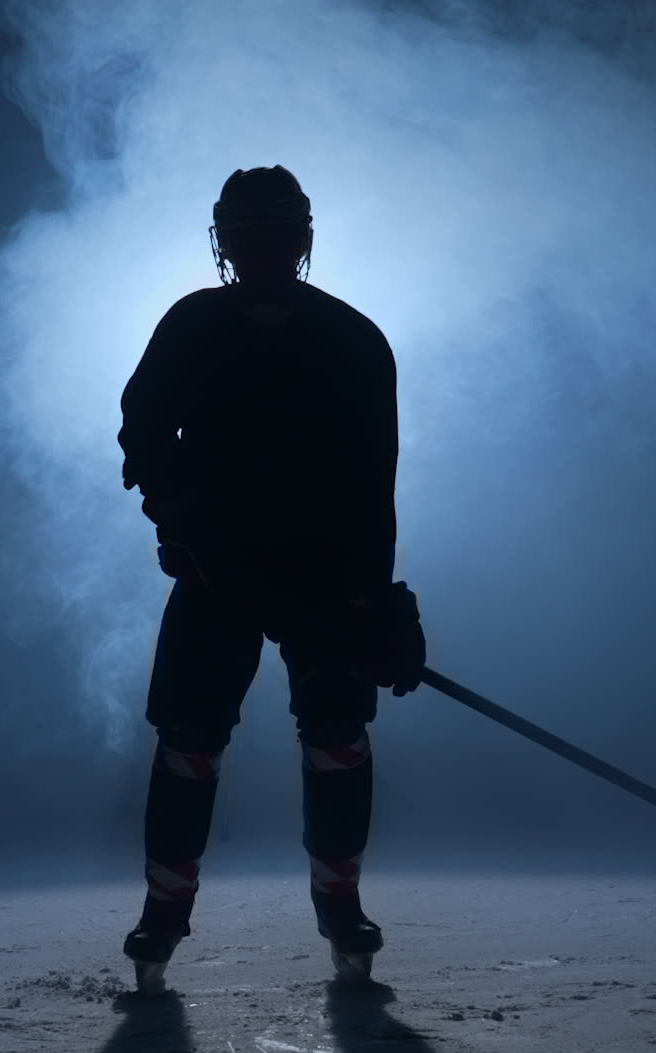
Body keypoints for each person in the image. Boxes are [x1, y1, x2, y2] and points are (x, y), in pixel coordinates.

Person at [116, 165, 427, 992]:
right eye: (245, 235)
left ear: (300, 240)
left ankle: (340, 905)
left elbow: (373, 482)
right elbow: (143, 431)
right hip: (218, 576)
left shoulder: (353, 341)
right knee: (188, 739)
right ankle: (164, 913)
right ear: (226, 242)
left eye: (271, 233)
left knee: (336, 736)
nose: (257, 250)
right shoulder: (191, 327)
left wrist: (373, 602)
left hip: (325, 583)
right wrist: (177, 511)